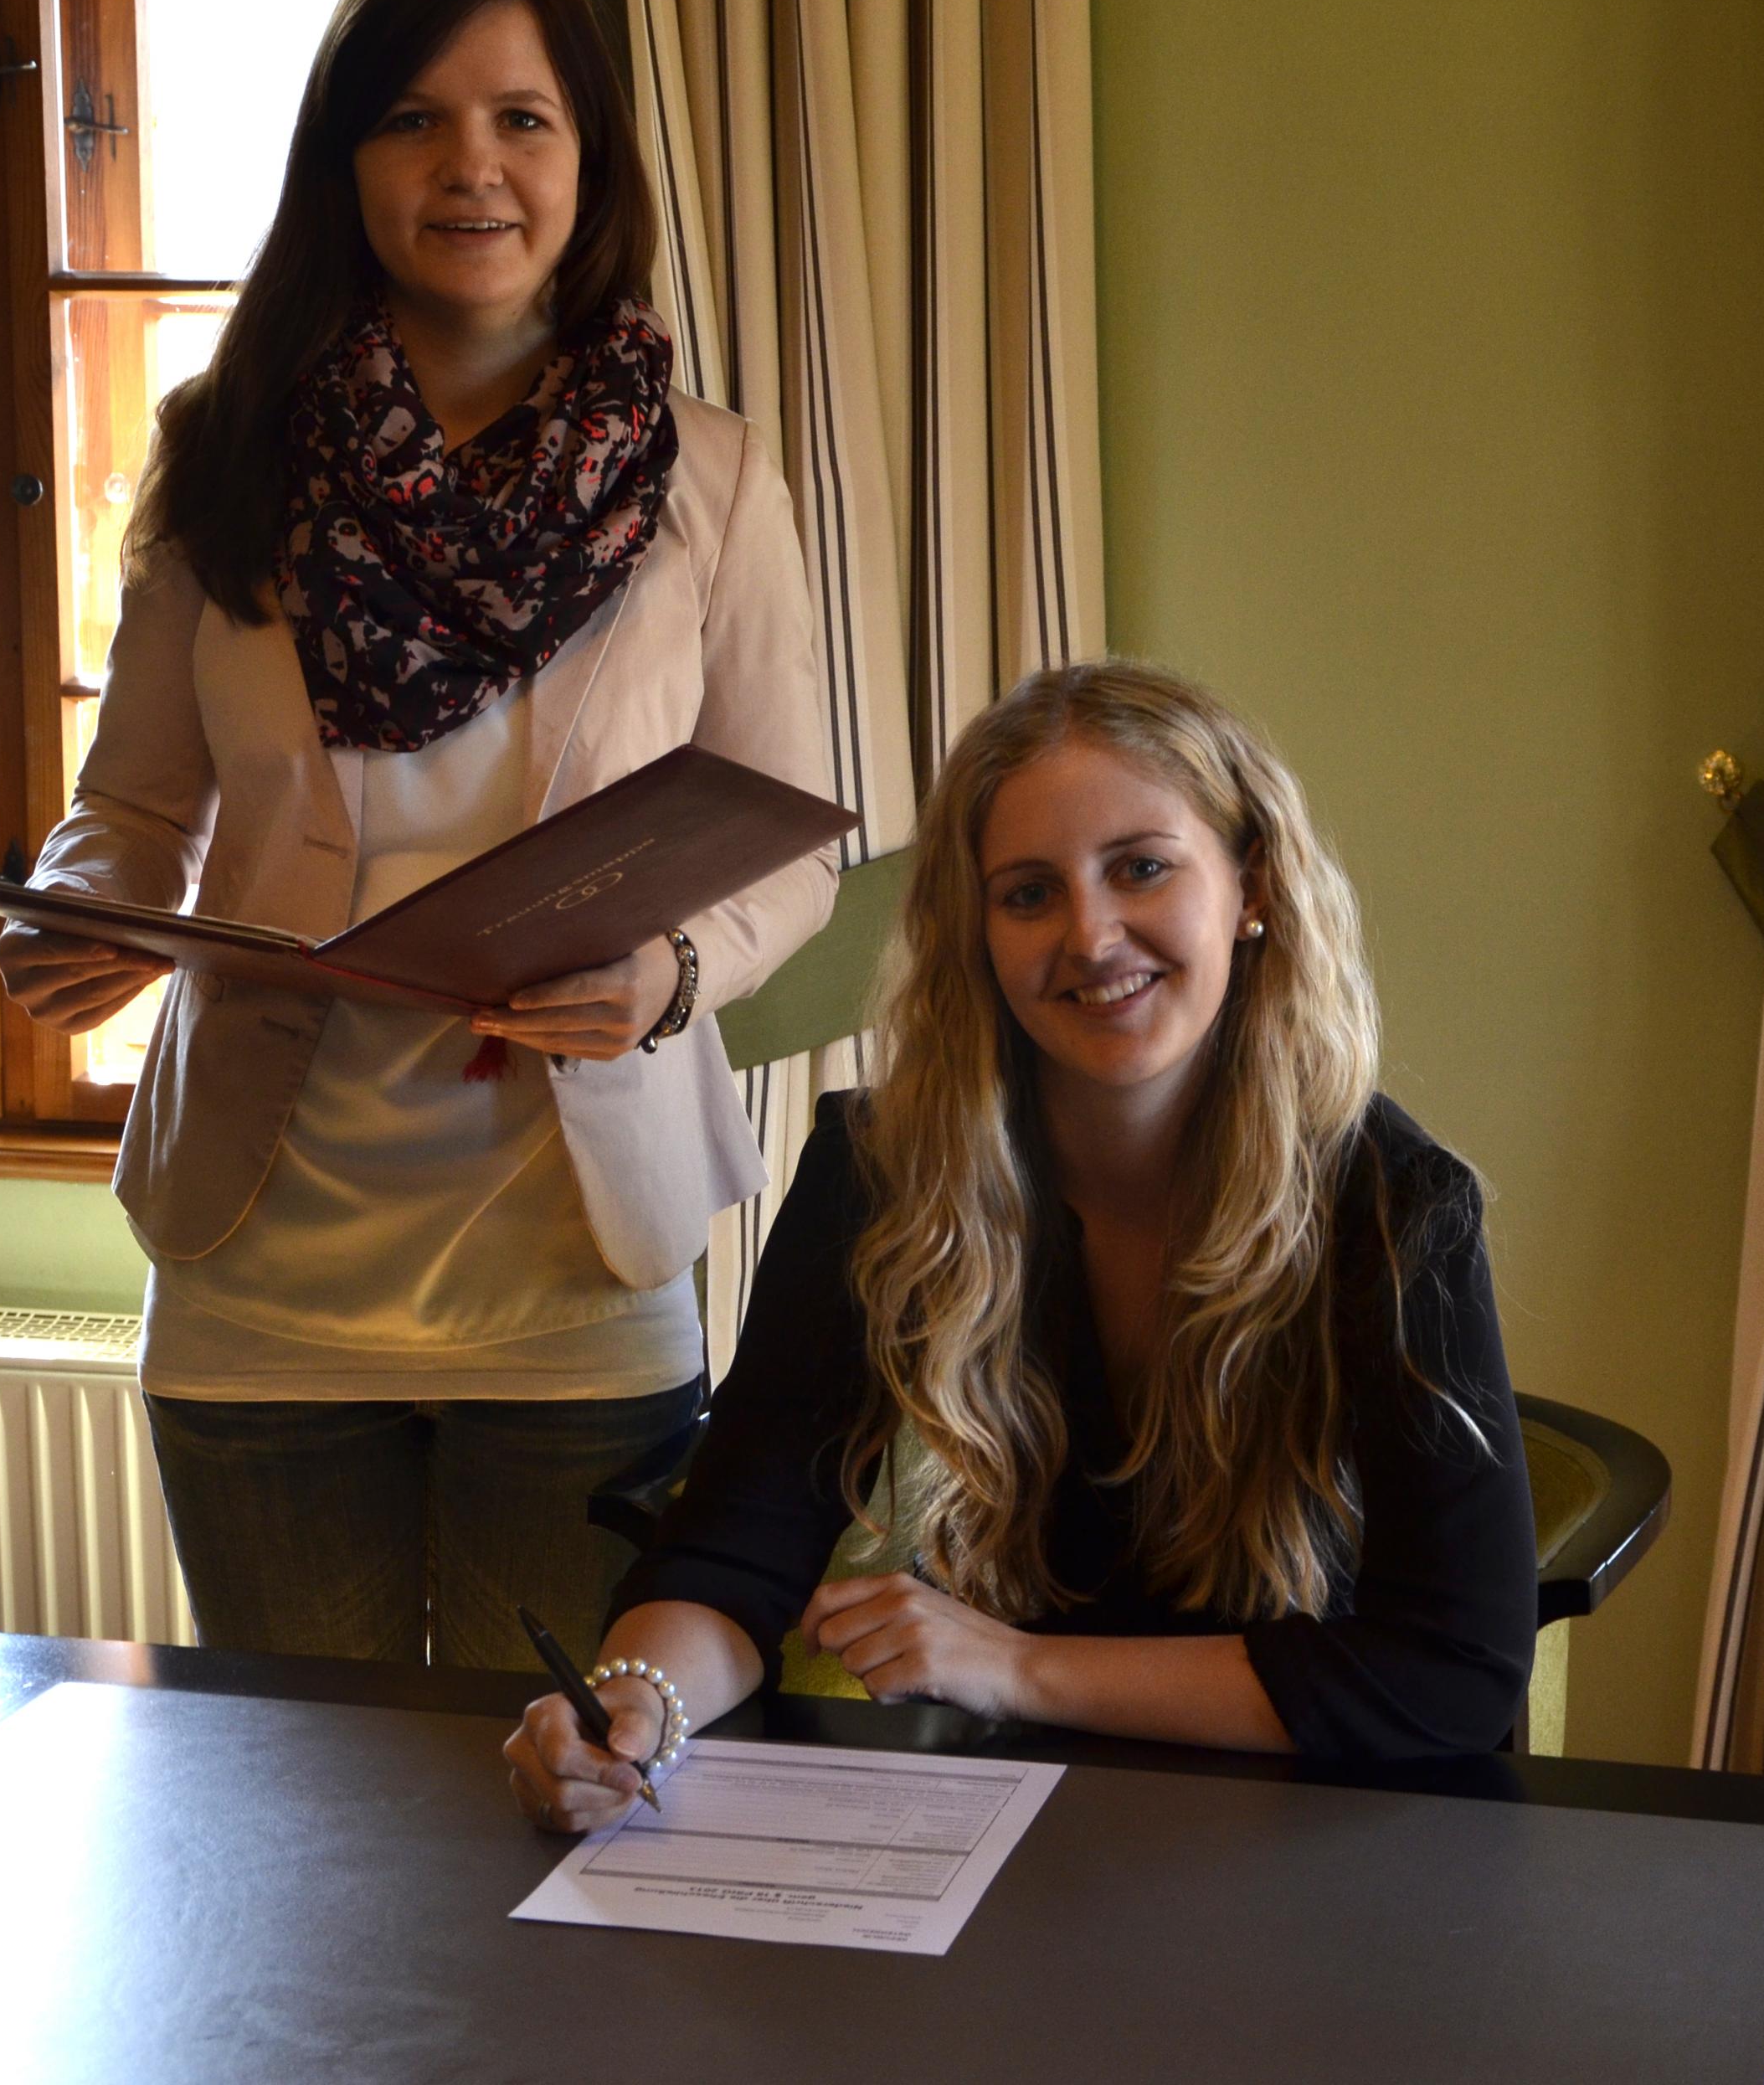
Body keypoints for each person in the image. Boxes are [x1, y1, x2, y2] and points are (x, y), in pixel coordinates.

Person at [0, 0, 833, 1674]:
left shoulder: (709, 475)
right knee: (310, 1794)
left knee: (559, 1780)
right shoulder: (224, 443)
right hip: (259, 1267)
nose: (473, 166)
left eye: (523, 119)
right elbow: (129, 804)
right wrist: (80, 908)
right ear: (344, 158)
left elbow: (788, 842)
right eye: (414, 119)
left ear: (587, 159)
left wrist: (669, 973)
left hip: (577, 1272)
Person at [504, 661, 1539, 1825]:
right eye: (1030, 893)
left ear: (1250, 886)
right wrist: (639, 1704)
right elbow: (735, 1551)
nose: (1091, 937)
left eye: (1142, 868)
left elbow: (1455, 1673)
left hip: (1299, 1818)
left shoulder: (1398, 1206)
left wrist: (1017, 1667)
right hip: (1005, 1816)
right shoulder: (879, 1172)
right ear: (978, 934)